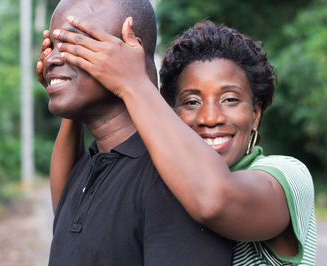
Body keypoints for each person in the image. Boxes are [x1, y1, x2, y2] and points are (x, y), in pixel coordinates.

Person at [37, 15, 317, 265]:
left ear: (255, 114)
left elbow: (215, 200)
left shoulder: (286, 176)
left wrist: (132, 82)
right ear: (170, 111)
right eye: (192, 102)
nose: (210, 117)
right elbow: (66, 206)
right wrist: (71, 92)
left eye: (230, 99)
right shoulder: (174, 176)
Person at [39, 0, 233, 265]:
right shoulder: (89, 164)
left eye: (74, 44)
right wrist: (67, 85)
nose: (49, 59)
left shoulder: (174, 179)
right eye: (52, 45)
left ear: (130, 51)